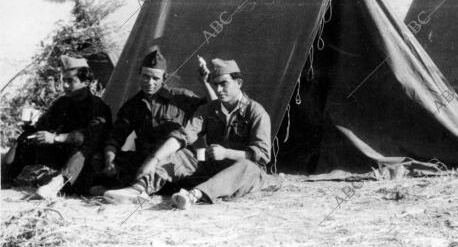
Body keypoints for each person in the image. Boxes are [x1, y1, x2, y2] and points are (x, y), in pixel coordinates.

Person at [104, 58, 271, 209]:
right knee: (186, 154)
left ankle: (193, 196)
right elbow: (183, 135)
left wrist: (226, 152)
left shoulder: (256, 112)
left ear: (239, 83)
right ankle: (139, 189)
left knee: (247, 167)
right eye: (215, 85)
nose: (219, 90)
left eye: (224, 84)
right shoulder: (209, 110)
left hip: (246, 170)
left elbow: (262, 156)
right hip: (213, 163)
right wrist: (155, 160)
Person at [100, 50, 216, 201]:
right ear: (139, 74)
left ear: (164, 78)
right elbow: (115, 138)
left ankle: (137, 190)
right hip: (145, 160)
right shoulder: (132, 105)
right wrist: (109, 160)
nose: (150, 82)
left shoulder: (181, 97)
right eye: (146, 76)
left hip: (179, 161)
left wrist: (205, 82)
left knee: (175, 157)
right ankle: (112, 185)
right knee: (105, 160)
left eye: (155, 78)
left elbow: (213, 109)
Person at [3, 56, 112, 199]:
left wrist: (56, 138)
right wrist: (32, 128)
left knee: (85, 147)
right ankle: (5, 176)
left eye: (71, 81)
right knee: (26, 137)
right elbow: (44, 125)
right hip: (62, 154)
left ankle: (57, 184)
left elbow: (90, 136)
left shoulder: (98, 107)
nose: (65, 86)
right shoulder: (62, 102)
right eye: (64, 81)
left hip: (84, 161)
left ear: (86, 83)